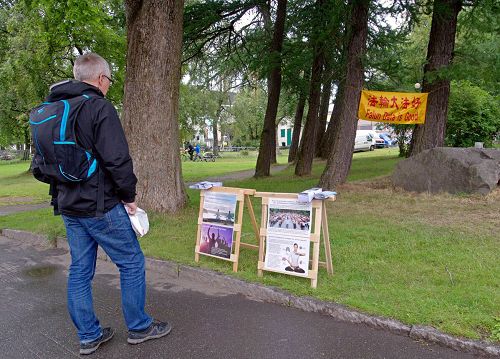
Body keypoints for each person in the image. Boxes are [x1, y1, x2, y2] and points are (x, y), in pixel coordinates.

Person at [41, 53, 171, 355]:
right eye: (109, 80)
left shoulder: (55, 109)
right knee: (132, 262)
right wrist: (129, 197)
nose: (109, 85)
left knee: (79, 271)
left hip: (69, 205)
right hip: (101, 205)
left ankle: (89, 335)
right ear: (101, 78)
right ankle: (140, 327)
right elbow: (117, 159)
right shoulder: (98, 107)